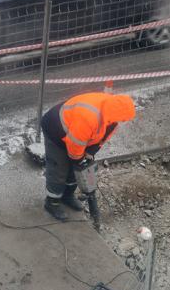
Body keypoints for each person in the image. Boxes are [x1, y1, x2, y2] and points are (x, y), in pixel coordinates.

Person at [40, 92, 136, 221]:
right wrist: (78, 160)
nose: (123, 121)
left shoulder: (111, 116)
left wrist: (90, 152)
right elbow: (75, 144)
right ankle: (52, 202)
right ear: (115, 114)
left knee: (75, 171)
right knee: (59, 169)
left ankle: (67, 196)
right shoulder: (89, 117)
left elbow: (103, 137)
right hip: (56, 128)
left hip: (76, 132)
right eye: (122, 119)